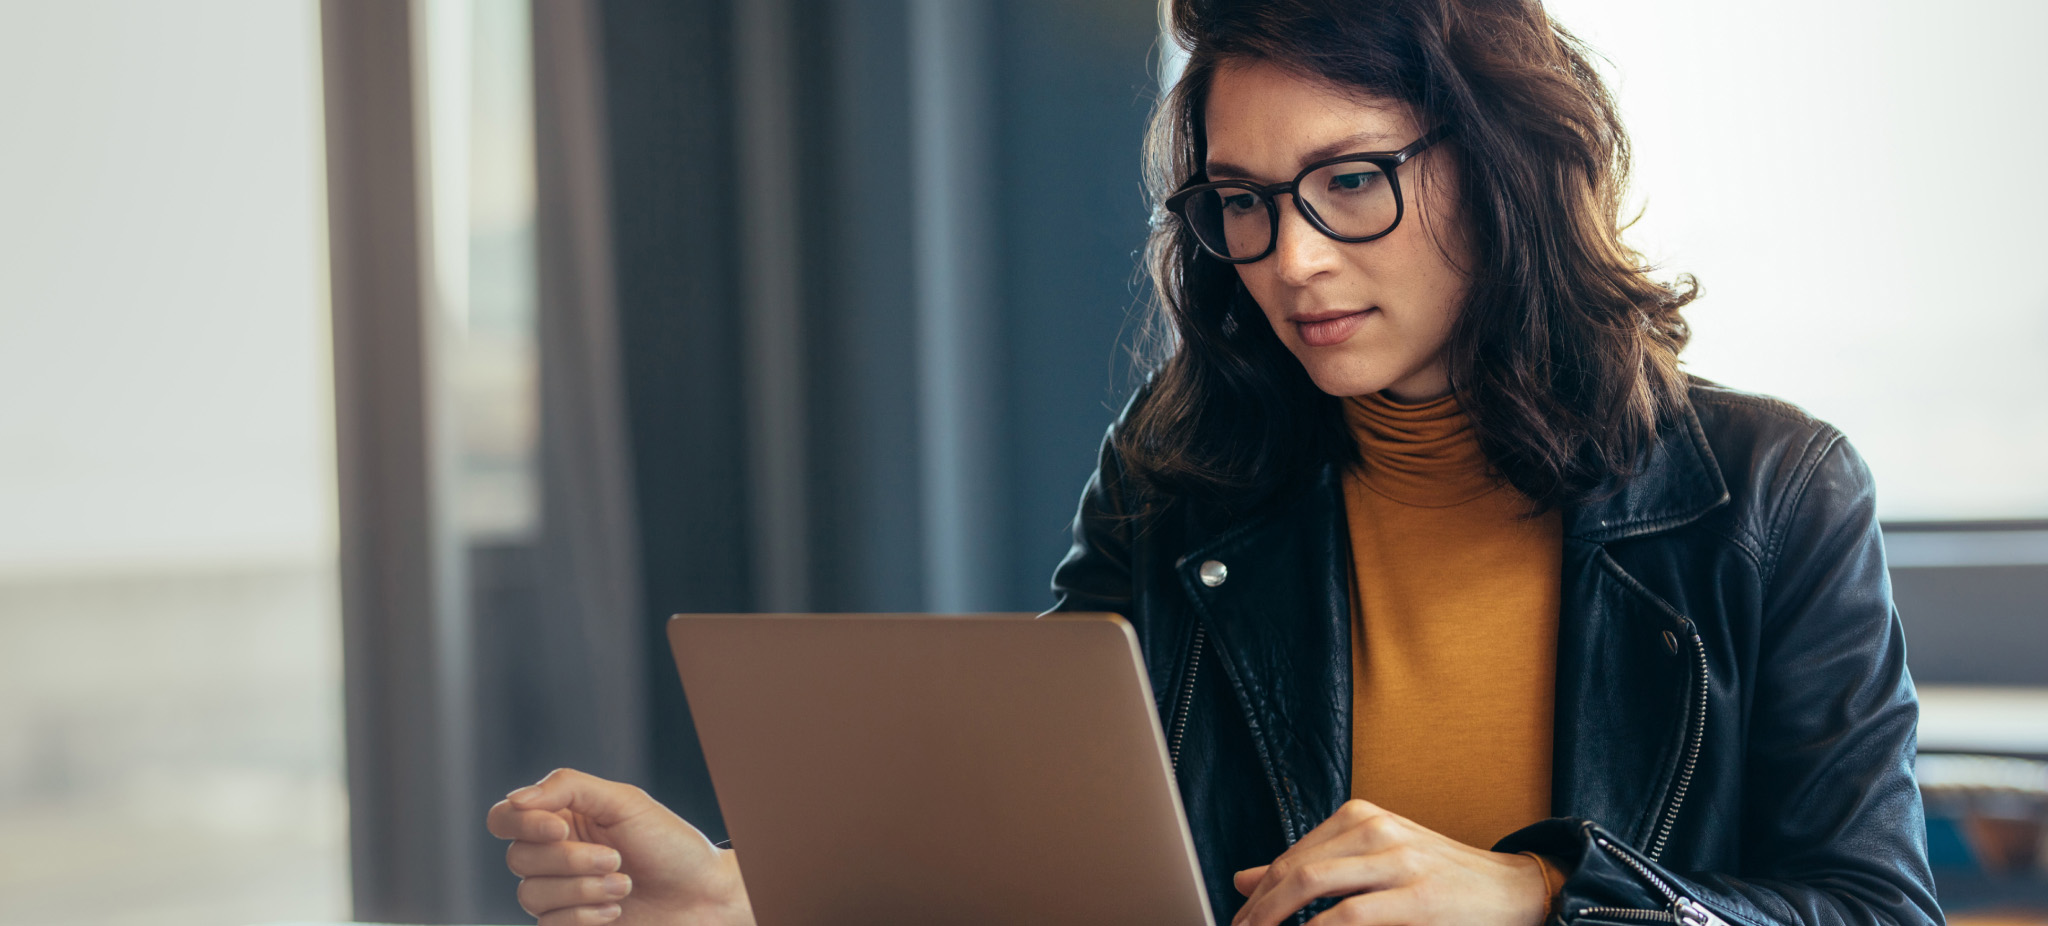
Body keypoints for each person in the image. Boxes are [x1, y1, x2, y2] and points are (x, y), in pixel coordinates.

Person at [486, 0, 1943, 923]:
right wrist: (749, 896)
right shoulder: (1180, 470)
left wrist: (1540, 897)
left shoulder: (1770, 495)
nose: (1292, 259)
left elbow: (1874, 909)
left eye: (1351, 181)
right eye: (1245, 201)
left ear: (1503, 166)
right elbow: (1039, 854)